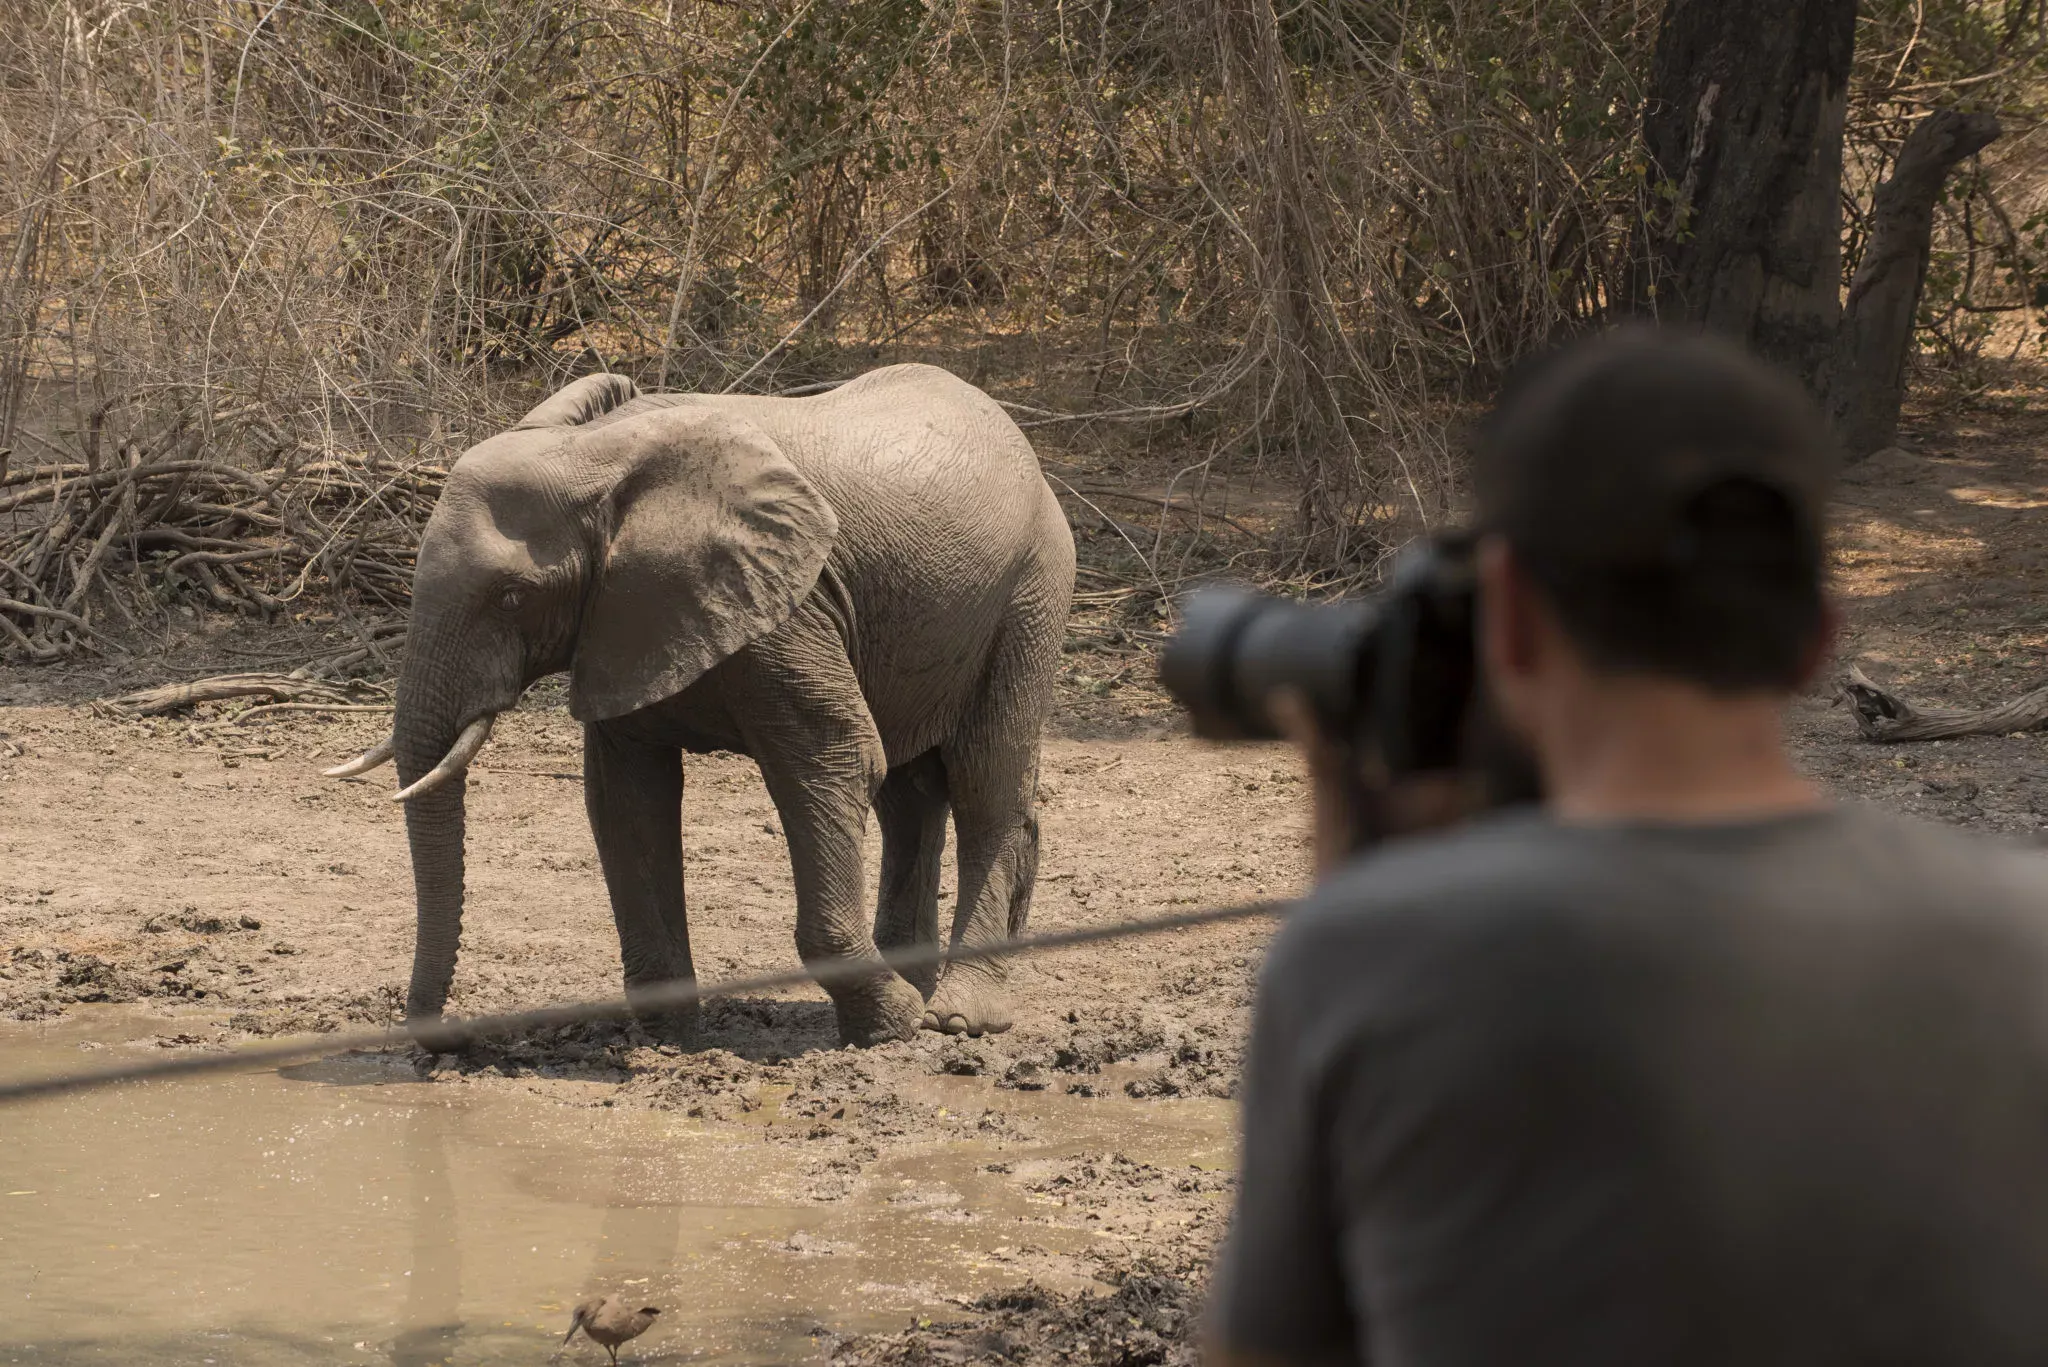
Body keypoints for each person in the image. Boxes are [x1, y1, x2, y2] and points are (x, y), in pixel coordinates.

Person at [1206, 328, 2048, 1367]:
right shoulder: (2027, 936)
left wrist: (1356, 882)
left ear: (1508, 617)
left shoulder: (1367, 956)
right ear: (1816, 638)